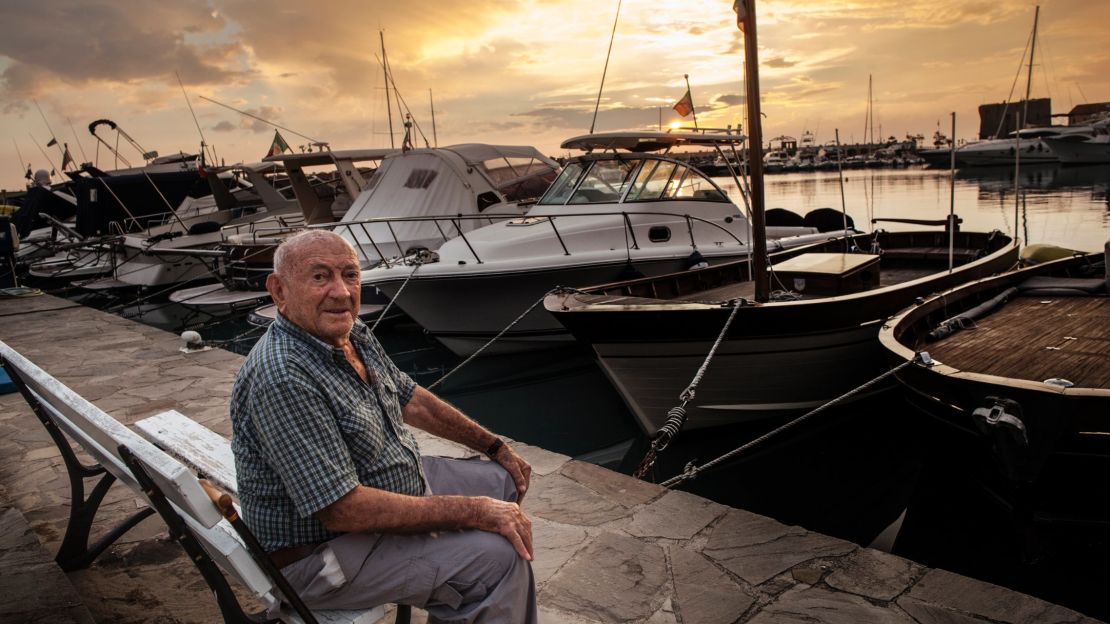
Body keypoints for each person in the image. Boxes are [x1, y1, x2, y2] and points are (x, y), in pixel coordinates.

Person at [230, 230, 537, 622]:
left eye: (350, 275)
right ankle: (471, 583)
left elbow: (410, 398)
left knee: (505, 482)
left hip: (378, 489)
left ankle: (460, 597)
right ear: (279, 291)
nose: (341, 292)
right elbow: (342, 511)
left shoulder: (349, 331)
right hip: (323, 556)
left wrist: (495, 447)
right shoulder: (284, 377)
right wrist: (474, 513)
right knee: (499, 560)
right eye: (320, 277)